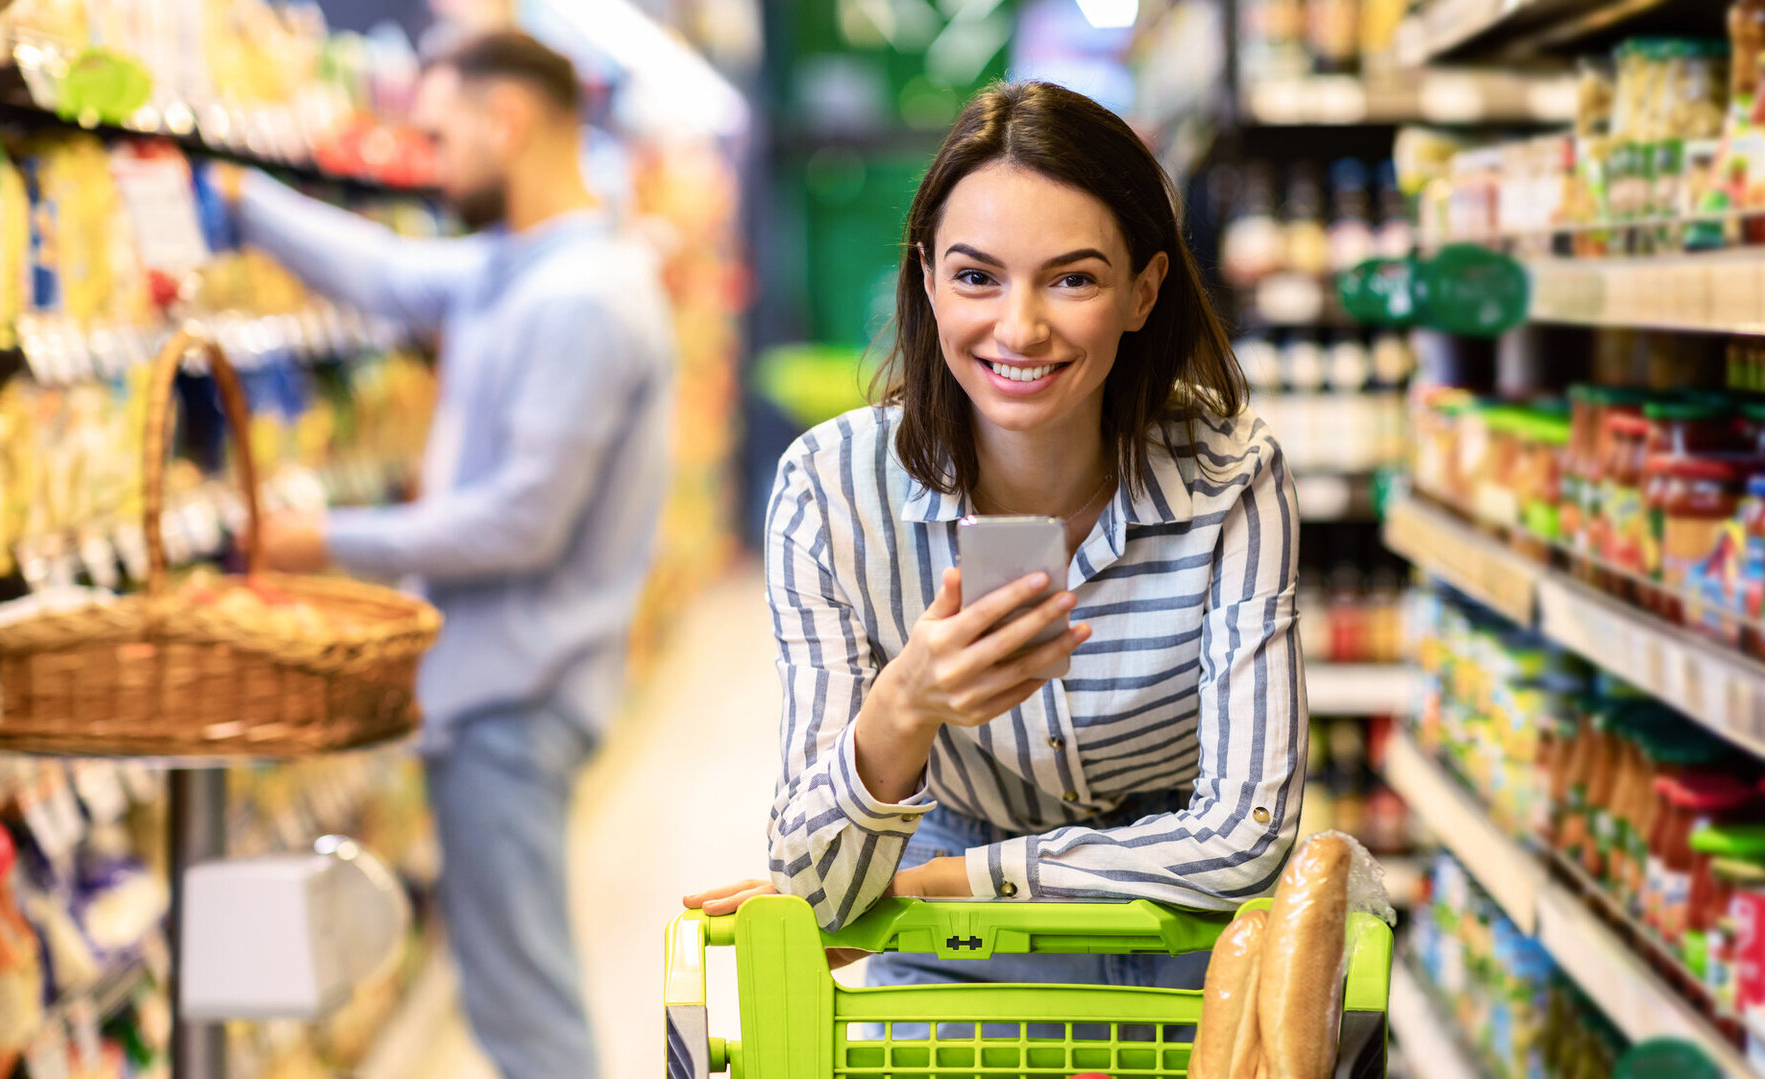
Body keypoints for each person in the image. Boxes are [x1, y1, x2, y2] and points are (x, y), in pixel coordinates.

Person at [686, 79, 1303, 994]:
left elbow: (1246, 837)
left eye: (1074, 277)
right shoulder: (831, 493)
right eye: (977, 276)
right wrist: (905, 704)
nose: (1021, 327)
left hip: (1181, 925)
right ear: (927, 278)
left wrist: (946, 881)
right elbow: (816, 891)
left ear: (1143, 290)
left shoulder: (1231, 477)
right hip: (944, 939)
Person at [215, 32, 673, 1079]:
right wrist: (241, 196)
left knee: (524, 1009)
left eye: (441, 131)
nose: (428, 156)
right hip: (493, 689)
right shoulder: (517, 266)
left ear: (504, 122)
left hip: (519, 699)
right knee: (506, 986)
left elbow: (522, 523)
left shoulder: (582, 300)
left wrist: (326, 541)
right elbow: (384, 273)